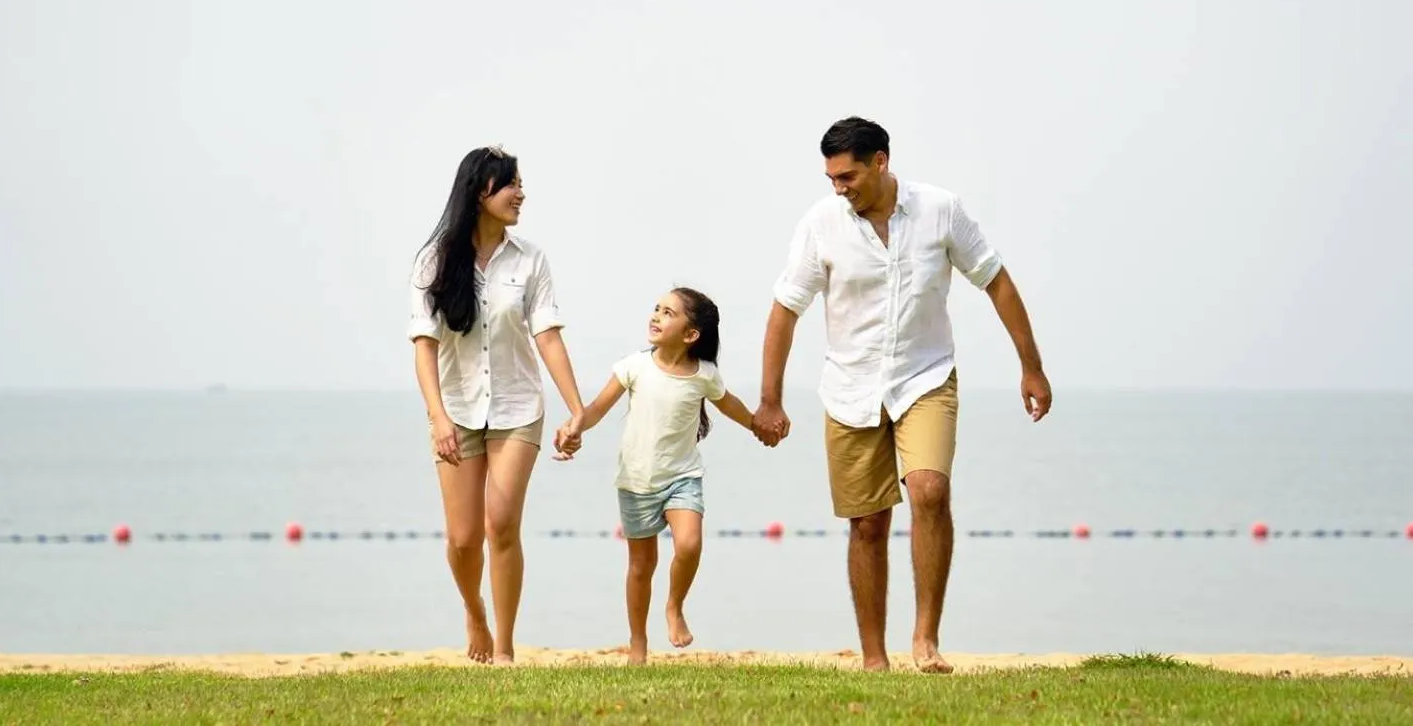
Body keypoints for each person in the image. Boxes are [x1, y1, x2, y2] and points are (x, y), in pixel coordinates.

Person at [752, 117, 1053, 674]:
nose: (839, 188)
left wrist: (1030, 367)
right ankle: (873, 657)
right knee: (868, 523)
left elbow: (996, 280)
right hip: (849, 387)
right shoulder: (822, 223)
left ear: (881, 162)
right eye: (831, 179)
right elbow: (784, 310)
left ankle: (925, 640)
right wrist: (770, 400)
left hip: (926, 376)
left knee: (930, 492)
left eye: (847, 176)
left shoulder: (940, 209)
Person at [409, 145, 586, 666]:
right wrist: (438, 417)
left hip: (517, 407)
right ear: (480, 191)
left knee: (501, 523)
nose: (521, 194)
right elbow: (424, 346)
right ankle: (474, 610)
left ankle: (506, 650)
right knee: (464, 539)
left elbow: (548, 337)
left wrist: (576, 409)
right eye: (510, 185)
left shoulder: (532, 259)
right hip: (457, 411)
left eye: (520, 184)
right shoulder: (434, 260)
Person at [572, 287, 758, 665]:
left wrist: (757, 424)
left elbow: (730, 404)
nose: (656, 316)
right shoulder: (633, 366)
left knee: (688, 544)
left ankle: (674, 606)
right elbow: (595, 409)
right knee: (641, 567)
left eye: (668, 313)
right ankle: (637, 642)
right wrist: (575, 428)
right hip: (637, 481)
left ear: (691, 335)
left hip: (682, 477)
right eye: (656, 309)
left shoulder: (704, 375)